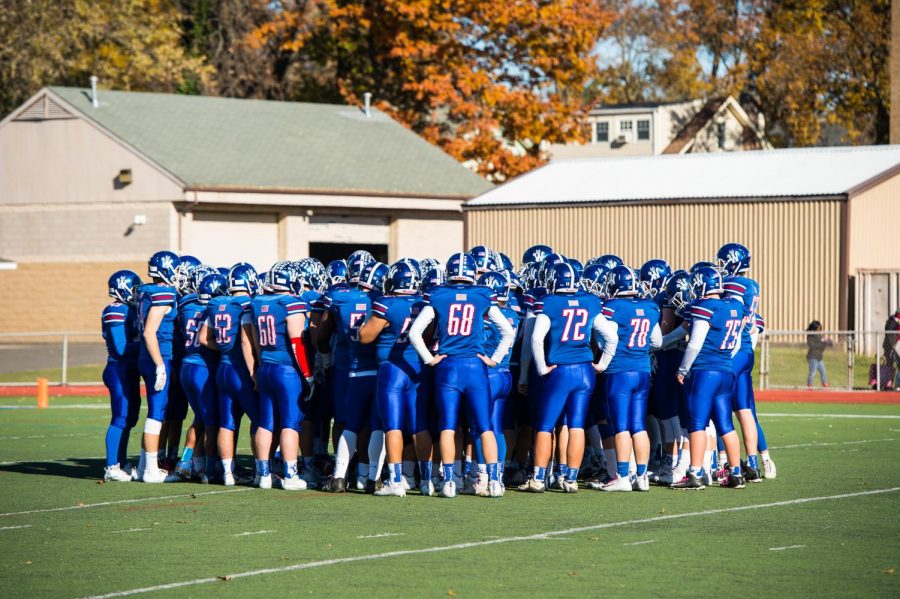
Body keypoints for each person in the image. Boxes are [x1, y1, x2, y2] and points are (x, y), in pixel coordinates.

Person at [408, 252, 515, 498]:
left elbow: (415, 333)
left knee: (448, 426)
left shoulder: (439, 295)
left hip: (448, 366)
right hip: (475, 367)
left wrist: (430, 359)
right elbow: (507, 331)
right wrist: (495, 359)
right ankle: (495, 482)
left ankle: (448, 482)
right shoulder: (482, 295)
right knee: (485, 426)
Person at [518, 262, 615, 493]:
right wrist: (601, 364)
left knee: (545, 425)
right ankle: (570, 478)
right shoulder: (590, 302)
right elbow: (611, 337)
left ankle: (539, 478)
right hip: (584, 370)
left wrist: (541, 368)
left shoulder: (549, 303)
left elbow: (535, 339)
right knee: (577, 426)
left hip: (559, 370)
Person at [358, 260, 433, 497]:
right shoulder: (424, 303)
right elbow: (429, 336)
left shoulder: (386, 303)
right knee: (419, 425)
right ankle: (427, 481)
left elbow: (365, 336)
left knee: (392, 426)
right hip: (417, 369)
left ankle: (395, 480)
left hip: (392, 369)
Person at [671, 266, 746, 490]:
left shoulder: (704, 307)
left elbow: (695, 343)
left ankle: (694, 474)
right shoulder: (735, 306)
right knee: (726, 424)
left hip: (706, 373)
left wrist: (683, 369)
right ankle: (736, 473)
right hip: (725, 370)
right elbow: (737, 344)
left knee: (697, 424)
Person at [249, 262, 315, 490]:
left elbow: (256, 340)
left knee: (266, 423)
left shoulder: (257, 302)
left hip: (265, 367)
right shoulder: (291, 303)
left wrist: (259, 365)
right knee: (290, 423)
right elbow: (297, 343)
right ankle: (290, 475)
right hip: (287, 371)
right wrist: (307, 375)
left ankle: (263, 474)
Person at [597, 265, 662, 492]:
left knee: (621, 427)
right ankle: (642, 476)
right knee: (638, 425)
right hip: (642, 370)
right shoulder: (649, 307)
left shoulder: (613, 307)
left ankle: (623, 476)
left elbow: (606, 338)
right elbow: (657, 342)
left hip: (620, 371)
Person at [201, 263, 260, 486]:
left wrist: (225, 349)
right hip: (241, 370)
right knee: (260, 420)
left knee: (227, 422)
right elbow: (248, 341)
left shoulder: (216, 303)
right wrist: (254, 370)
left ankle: (227, 473)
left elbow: (203, 339)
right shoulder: (247, 304)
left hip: (222, 369)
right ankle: (260, 470)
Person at [101, 270, 143, 482]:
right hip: (119, 369)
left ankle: (122, 462)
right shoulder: (115, 310)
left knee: (130, 417)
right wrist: (147, 345)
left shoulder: (130, 309)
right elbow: (119, 348)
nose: (136, 293)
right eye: (134, 289)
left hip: (129, 369)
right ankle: (111, 465)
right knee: (120, 417)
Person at [806, 320, 831, 387]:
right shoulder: (810, 336)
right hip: (812, 357)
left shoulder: (820, 336)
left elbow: (823, 347)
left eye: (820, 329)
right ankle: (810, 384)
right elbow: (812, 345)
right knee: (813, 372)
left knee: (823, 372)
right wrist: (822, 343)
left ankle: (824, 383)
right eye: (818, 329)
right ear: (814, 329)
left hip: (819, 358)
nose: (819, 330)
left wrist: (827, 341)